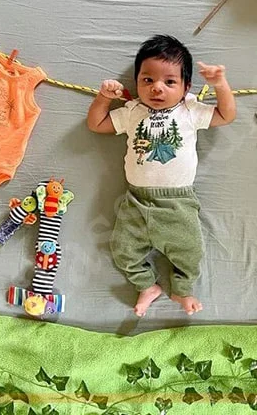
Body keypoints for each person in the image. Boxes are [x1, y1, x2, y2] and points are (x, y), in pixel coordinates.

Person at [87, 35, 235, 316]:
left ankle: (182, 290)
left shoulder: (189, 110)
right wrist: (103, 98)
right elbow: (96, 124)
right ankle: (147, 286)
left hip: (177, 202)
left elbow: (226, 115)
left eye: (169, 82)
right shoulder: (132, 111)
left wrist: (220, 84)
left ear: (186, 87)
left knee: (190, 251)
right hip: (136, 200)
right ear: (137, 82)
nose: (157, 88)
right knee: (123, 249)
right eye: (147, 80)